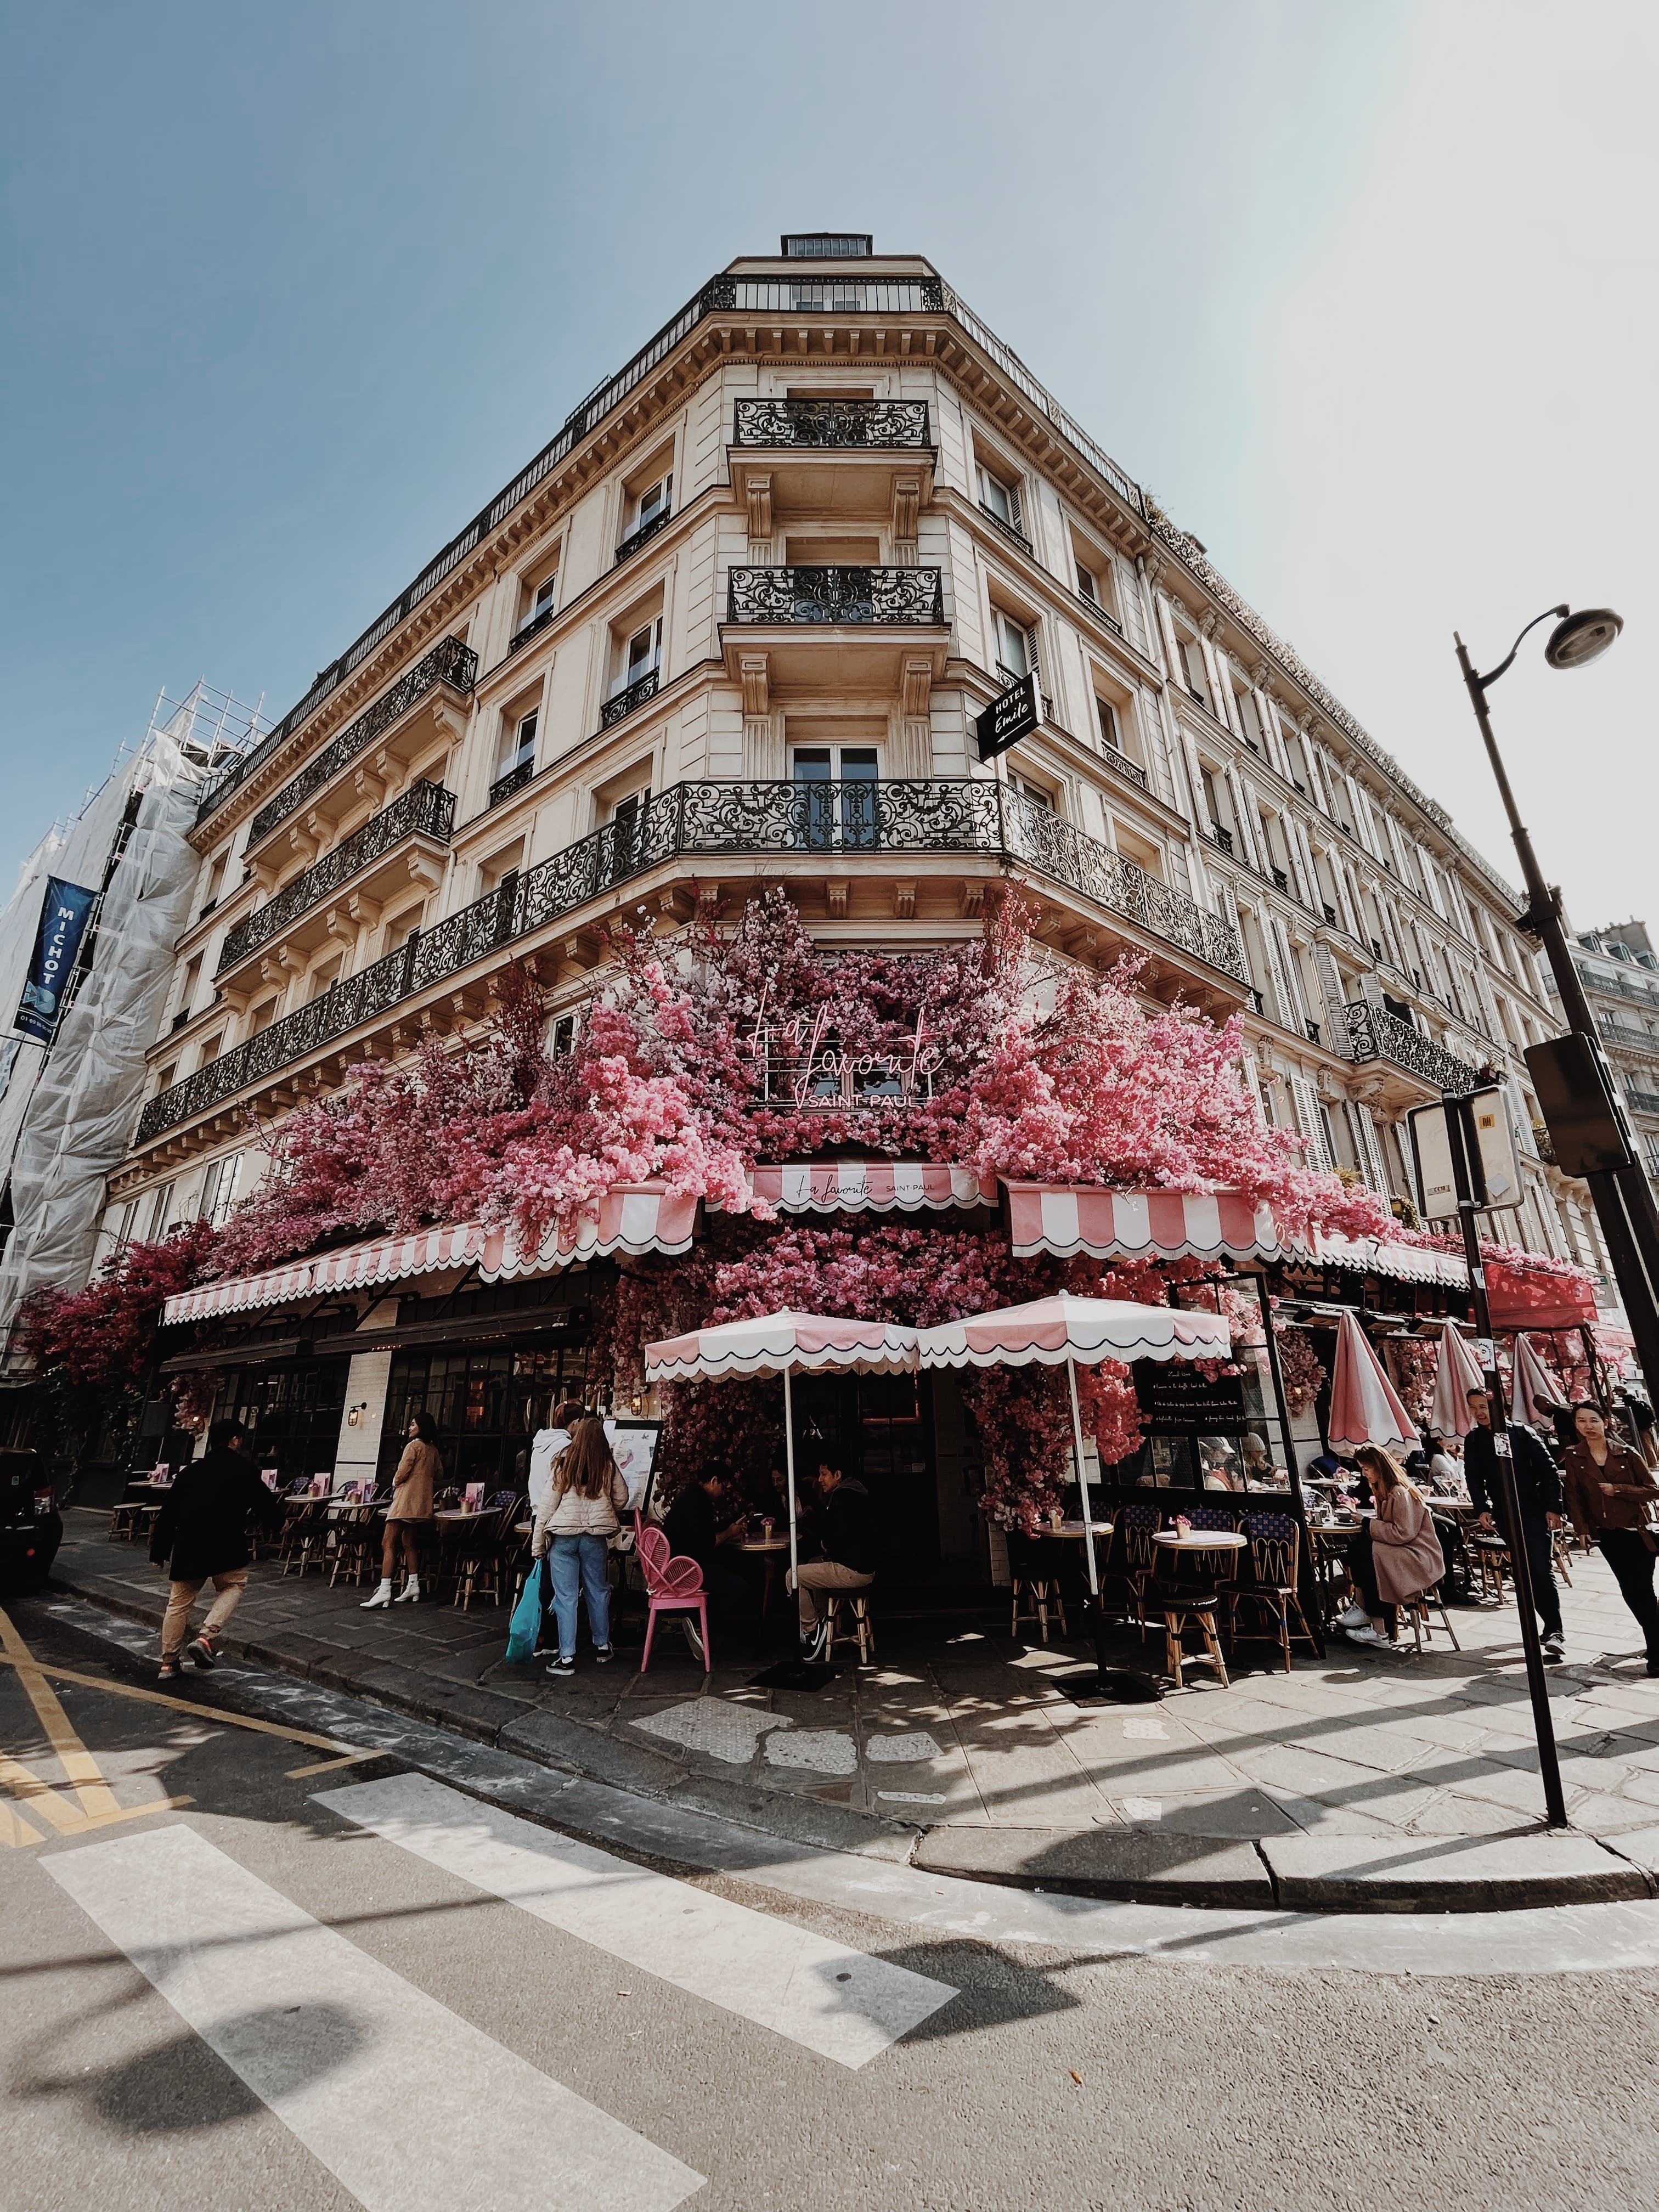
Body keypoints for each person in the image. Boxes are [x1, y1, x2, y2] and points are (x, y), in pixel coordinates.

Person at [149, 1419, 283, 1681]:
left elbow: (169, 1513)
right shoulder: (243, 1469)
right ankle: (206, 1637)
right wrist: (279, 1524)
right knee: (234, 1584)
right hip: (226, 1544)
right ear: (234, 1440)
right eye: (240, 1438)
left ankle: (168, 1663)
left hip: (189, 1546)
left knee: (178, 1603)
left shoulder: (191, 1472)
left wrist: (160, 1551)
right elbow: (264, 1503)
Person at [1464, 1385, 1566, 1660]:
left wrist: (1554, 1508)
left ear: (1498, 1408)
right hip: (1504, 1512)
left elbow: (1549, 1472)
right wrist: (1481, 1509)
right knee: (1522, 1571)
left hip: (1534, 1510)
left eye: (1483, 1407)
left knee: (1540, 1570)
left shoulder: (1522, 1433)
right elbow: (1473, 1478)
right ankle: (1541, 1625)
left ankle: (1555, 1630)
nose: (1479, 1413)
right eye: (1473, 1408)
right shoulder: (1474, 1440)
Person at [1562, 1400, 1659, 1674]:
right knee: (1631, 1591)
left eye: (1593, 1420)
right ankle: (1655, 1640)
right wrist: (1582, 1529)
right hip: (1608, 1536)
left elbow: (1652, 1490)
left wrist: (1618, 1489)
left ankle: (1656, 1649)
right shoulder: (1574, 1456)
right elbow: (1574, 1496)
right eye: (1581, 1421)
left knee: (1643, 1590)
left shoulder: (1626, 1453)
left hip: (1638, 1532)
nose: (1588, 1427)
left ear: (1605, 1422)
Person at [532, 1414, 628, 1678]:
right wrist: (605, 1508)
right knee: (598, 1591)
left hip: (563, 1538)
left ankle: (566, 1656)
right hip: (595, 1538)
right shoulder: (606, 1464)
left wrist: (538, 1544)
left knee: (566, 1598)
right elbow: (623, 1497)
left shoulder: (564, 1462)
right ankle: (601, 1645)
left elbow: (547, 1505)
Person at [1336, 1446, 1445, 1650]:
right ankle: (1369, 1617)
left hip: (1418, 1556)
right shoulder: (1387, 1491)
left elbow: (1403, 1533)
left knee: (1364, 1554)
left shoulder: (1400, 1492)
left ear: (1378, 1467)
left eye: (1366, 1468)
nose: (1364, 1474)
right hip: (1405, 1550)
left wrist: (1367, 1523)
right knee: (1359, 1551)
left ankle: (1374, 1623)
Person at [789, 1461, 876, 1658]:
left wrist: (826, 1543)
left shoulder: (842, 1496)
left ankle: (812, 1630)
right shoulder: (857, 1492)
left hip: (851, 1570)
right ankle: (822, 1622)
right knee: (813, 1562)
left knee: (792, 1575)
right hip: (865, 1568)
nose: (820, 1480)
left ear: (838, 1474)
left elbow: (833, 1538)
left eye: (824, 1474)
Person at [663, 1469, 750, 1657]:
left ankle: (705, 1626)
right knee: (738, 1587)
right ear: (714, 1479)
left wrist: (728, 1527)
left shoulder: (691, 1497)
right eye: (722, 1486)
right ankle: (702, 1625)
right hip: (686, 1570)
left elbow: (703, 1533)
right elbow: (708, 1543)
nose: (723, 1491)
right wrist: (730, 1532)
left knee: (729, 1568)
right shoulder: (698, 1502)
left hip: (677, 1565)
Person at [362, 1410, 443, 1609]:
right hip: (421, 1505)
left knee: (388, 1542)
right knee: (409, 1542)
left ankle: (384, 1589)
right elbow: (440, 1473)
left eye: (413, 1425)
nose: (409, 1428)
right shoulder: (432, 1450)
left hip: (405, 1501)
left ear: (421, 1428)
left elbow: (402, 1472)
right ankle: (413, 1585)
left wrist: (395, 1481)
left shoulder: (413, 1446)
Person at [528, 1400, 588, 1520]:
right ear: (576, 1422)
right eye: (583, 1423)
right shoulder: (566, 1446)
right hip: (555, 1513)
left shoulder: (541, 1442)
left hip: (537, 1511)